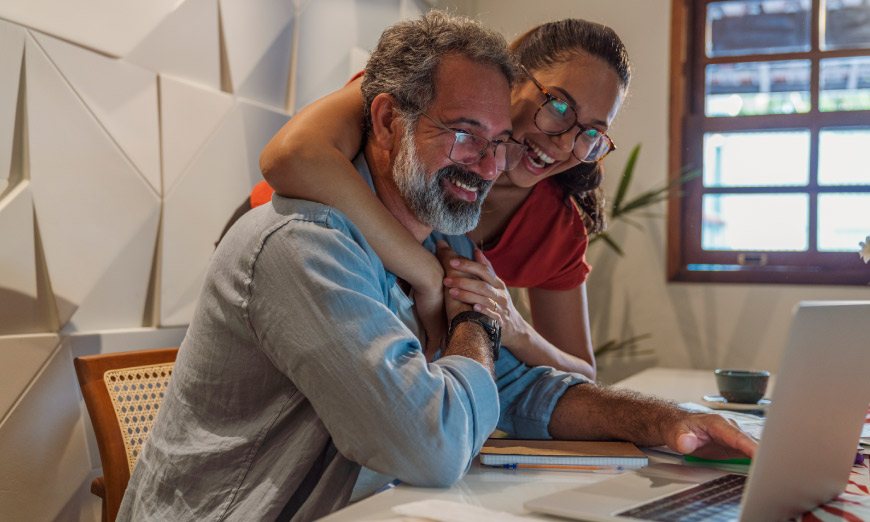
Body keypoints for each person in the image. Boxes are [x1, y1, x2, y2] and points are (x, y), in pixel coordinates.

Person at [120, 11, 755, 522]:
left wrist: (670, 423)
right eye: (463, 134)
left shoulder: (446, 247)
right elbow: (431, 445)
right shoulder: (305, 244)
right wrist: (477, 322)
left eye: (498, 142)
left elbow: (522, 388)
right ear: (389, 121)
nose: (488, 166)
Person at [254, 18, 631, 379]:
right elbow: (291, 156)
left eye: (593, 135)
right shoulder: (428, 90)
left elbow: (581, 370)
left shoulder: (553, 228)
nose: (565, 143)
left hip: (385, 327)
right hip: (283, 241)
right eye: (559, 107)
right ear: (512, 78)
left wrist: (515, 328)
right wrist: (427, 273)